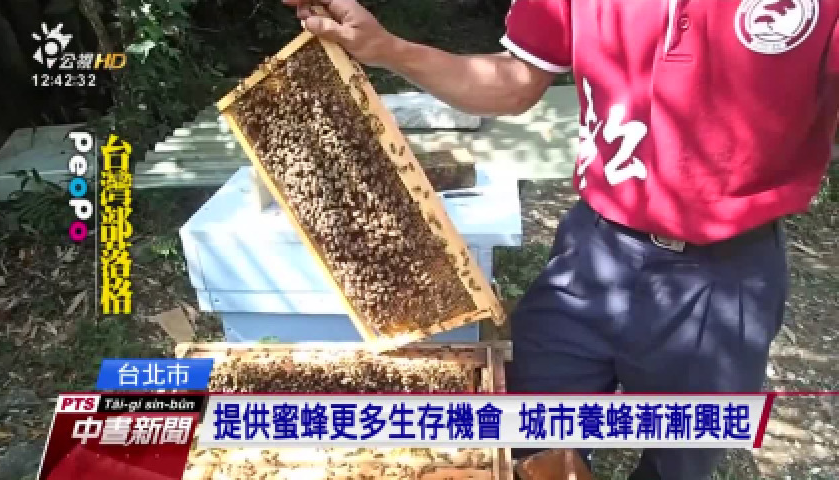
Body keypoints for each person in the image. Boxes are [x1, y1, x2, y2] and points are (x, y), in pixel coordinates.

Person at [282, 0, 839, 478]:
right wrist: (388, 49)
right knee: (530, 432)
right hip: (595, 251)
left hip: (726, 273)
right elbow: (515, 80)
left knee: (681, 458)